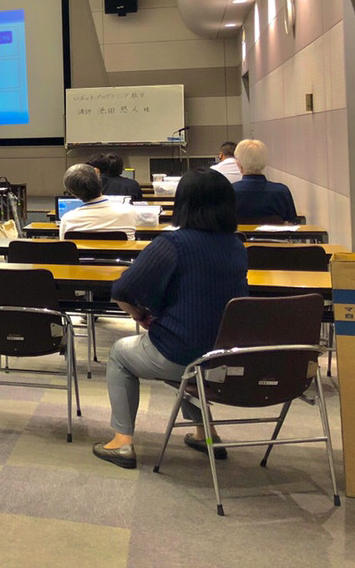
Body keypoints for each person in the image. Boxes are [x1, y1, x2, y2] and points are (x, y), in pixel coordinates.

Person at [92, 168, 249, 469]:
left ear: (183, 203)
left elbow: (122, 290)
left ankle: (122, 442)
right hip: (225, 357)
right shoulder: (237, 246)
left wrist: (138, 314)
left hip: (183, 352)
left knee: (121, 355)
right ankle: (207, 434)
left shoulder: (173, 244)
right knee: (191, 361)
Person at [59, 163, 138, 240]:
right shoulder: (128, 212)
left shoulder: (68, 219)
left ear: (73, 193)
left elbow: (65, 247)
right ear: (100, 181)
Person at [232, 139, 299, 223]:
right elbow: (292, 223)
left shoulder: (229, 192)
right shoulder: (282, 192)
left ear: (239, 164)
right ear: (264, 162)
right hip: (273, 232)